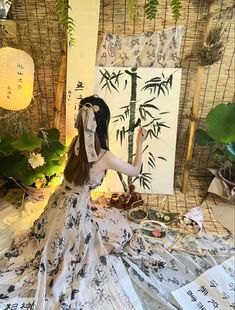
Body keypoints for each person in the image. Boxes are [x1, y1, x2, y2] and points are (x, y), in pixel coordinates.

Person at [0, 95, 147, 310]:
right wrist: (140, 143)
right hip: (76, 212)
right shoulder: (104, 155)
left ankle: (66, 253)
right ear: (104, 123)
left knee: (79, 233)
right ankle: (77, 258)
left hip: (57, 205)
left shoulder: (77, 142)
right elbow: (135, 171)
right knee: (121, 231)